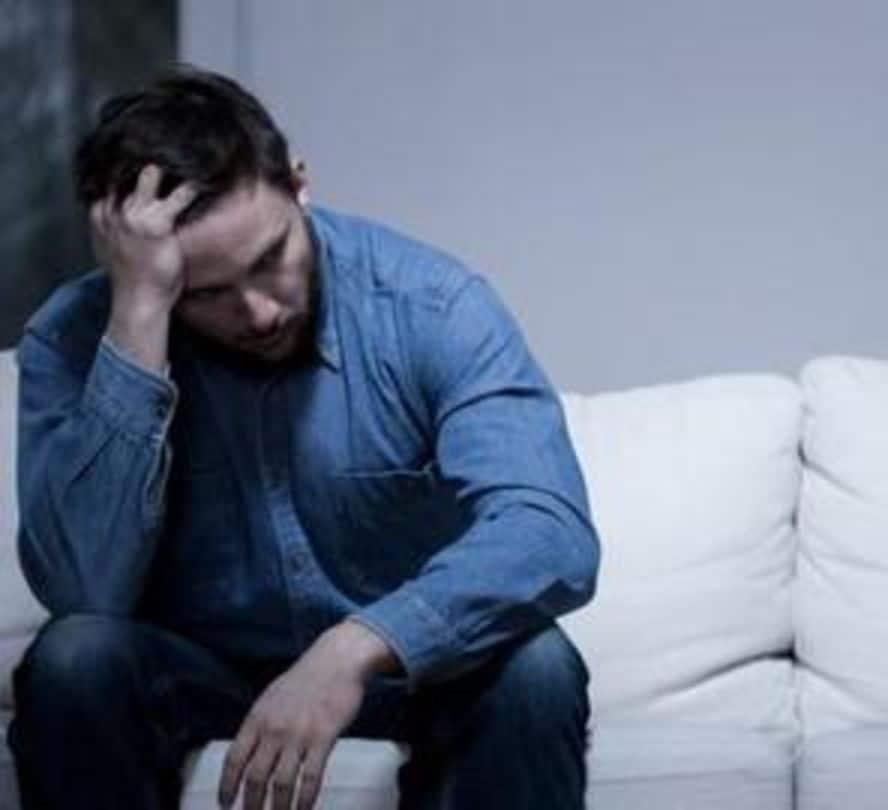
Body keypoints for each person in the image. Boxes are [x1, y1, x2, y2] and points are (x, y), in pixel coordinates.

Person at [8, 67, 598, 810]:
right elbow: (83, 591)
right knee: (75, 659)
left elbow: (549, 532)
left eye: (270, 259)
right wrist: (138, 319)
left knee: (535, 667)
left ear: (298, 184)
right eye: (205, 292)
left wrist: (354, 648)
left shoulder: (432, 307)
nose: (259, 311)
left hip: (408, 668)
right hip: (199, 672)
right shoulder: (74, 337)